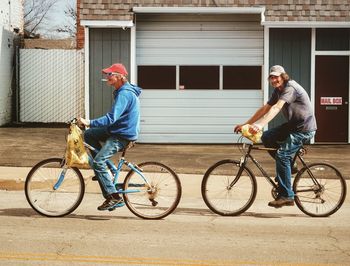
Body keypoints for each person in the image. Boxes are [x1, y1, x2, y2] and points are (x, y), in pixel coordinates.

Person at [234, 65, 317, 208]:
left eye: (276, 77)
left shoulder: (290, 88)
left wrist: (259, 125)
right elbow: (265, 108)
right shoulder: (278, 90)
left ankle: (287, 196)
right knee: (267, 137)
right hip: (293, 126)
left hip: (303, 129)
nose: (274, 80)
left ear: (283, 76)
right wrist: (245, 124)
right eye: (271, 77)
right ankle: (290, 166)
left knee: (282, 155)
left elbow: (277, 108)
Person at [78, 63, 141, 211]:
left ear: (119, 77)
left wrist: (88, 122)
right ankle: (108, 171)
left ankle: (113, 197)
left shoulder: (125, 93)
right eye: (107, 75)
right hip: (117, 129)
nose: (107, 77)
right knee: (88, 135)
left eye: (110, 75)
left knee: (98, 162)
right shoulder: (122, 91)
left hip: (122, 134)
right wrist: (90, 126)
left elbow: (111, 118)